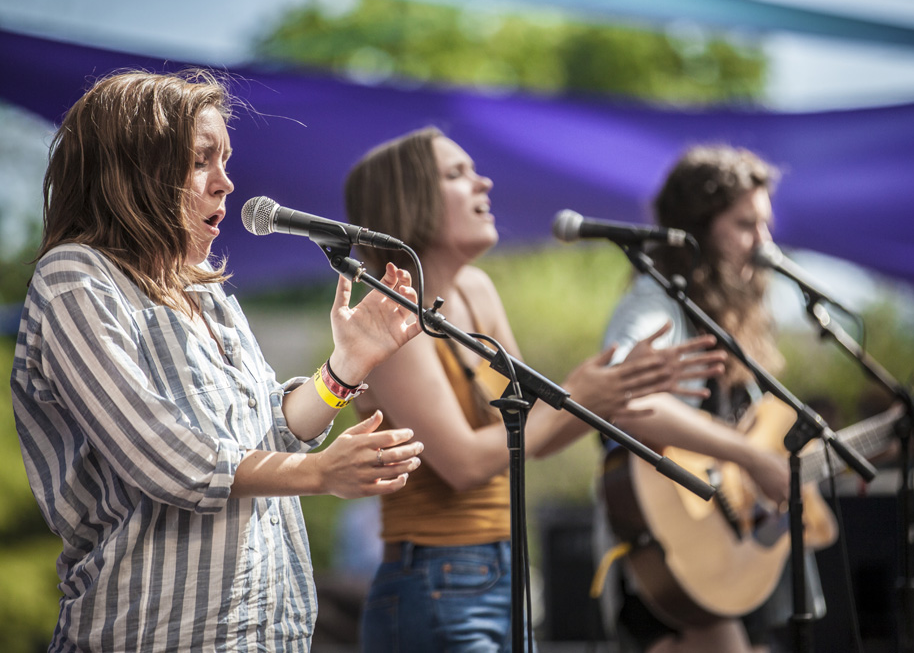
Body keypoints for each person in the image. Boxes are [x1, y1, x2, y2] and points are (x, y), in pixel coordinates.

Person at [9, 69, 425, 652]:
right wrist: (321, 474)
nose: (226, 183)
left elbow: (272, 438)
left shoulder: (208, 293)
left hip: (269, 632)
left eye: (225, 160)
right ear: (135, 169)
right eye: (203, 160)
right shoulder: (75, 278)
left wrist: (344, 369)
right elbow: (162, 455)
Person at [342, 126, 727, 652]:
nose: (484, 182)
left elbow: (531, 438)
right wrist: (579, 394)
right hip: (433, 578)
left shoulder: (477, 289)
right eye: (458, 174)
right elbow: (464, 464)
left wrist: (610, 393)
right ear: (408, 198)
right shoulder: (387, 311)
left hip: (503, 568)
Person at [594, 144, 817, 653]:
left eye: (764, 225)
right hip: (675, 554)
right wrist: (750, 456)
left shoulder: (732, 318)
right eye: (744, 225)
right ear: (695, 228)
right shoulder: (655, 304)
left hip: (733, 551)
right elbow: (626, 402)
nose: (763, 244)